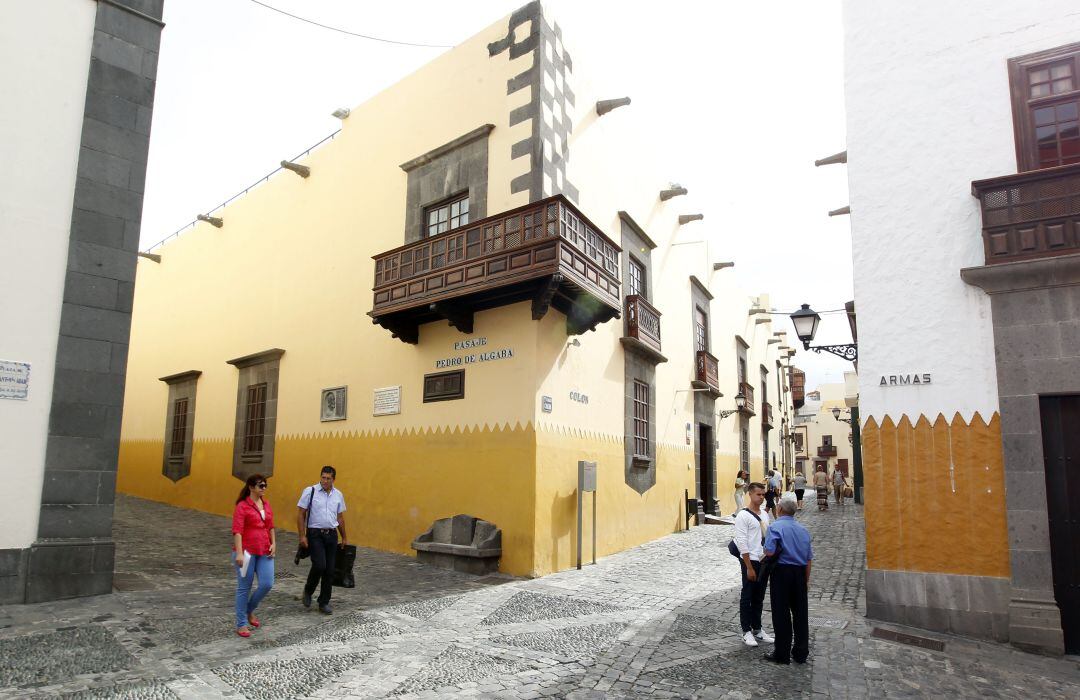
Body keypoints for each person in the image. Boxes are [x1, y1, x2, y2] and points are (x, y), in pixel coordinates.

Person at [762, 497, 813, 665]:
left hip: (782, 573)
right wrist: (805, 580)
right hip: (799, 573)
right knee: (800, 614)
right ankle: (801, 652)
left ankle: (782, 653)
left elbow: (769, 552)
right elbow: (808, 559)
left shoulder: (775, 527)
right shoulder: (803, 530)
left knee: (781, 613)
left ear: (781, 509)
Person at [297, 465, 348, 614]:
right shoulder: (310, 491)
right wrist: (302, 535)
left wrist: (344, 536)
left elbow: (340, 517)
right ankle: (308, 590)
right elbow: (301, 514)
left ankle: (324, 602)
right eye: (323, 477)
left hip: (332, 535)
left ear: (334, 479)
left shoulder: (338, 494)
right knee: (320, 565)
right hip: (315, 535)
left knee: (330, 570)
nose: (325, 481)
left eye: (328, 478)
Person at [231, 473, 275, 638]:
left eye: (265, 485)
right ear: (251, 487)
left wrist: (274, 543)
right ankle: (241, 623)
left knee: (267, 583)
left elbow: (270, 526)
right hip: (247, 553)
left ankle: (248, 610)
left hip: (264, 550)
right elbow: (237, 531)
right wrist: (239, 552)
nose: (263, 488)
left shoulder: (266, 504)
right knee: (244, 587)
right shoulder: (242, 506)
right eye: (260, 485)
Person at [733, 482, 774, 648]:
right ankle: (746, 631)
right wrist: (748, 566)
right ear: (750, 494)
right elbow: (742, 542)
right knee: (747, 595)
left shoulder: (764, 514)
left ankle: (757, 628)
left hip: (763, 559)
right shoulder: (743, 516)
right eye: (759, 494)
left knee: (759, 596)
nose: (762, 497)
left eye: (763, 494)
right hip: (750, 561)